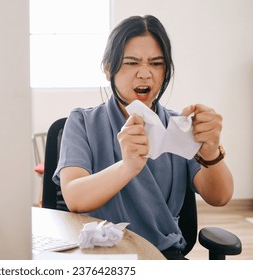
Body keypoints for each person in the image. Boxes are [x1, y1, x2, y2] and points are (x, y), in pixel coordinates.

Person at [52, 15, 234, 260]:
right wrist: (127, 167)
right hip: (99, 257)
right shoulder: (82, 122)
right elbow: (74, 197)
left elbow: (220, 197)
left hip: (163, 256)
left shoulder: (179, 126)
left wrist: (211, 151)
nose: (145, 74)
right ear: (108, 68)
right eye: (131, 62)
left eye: (157, 63)